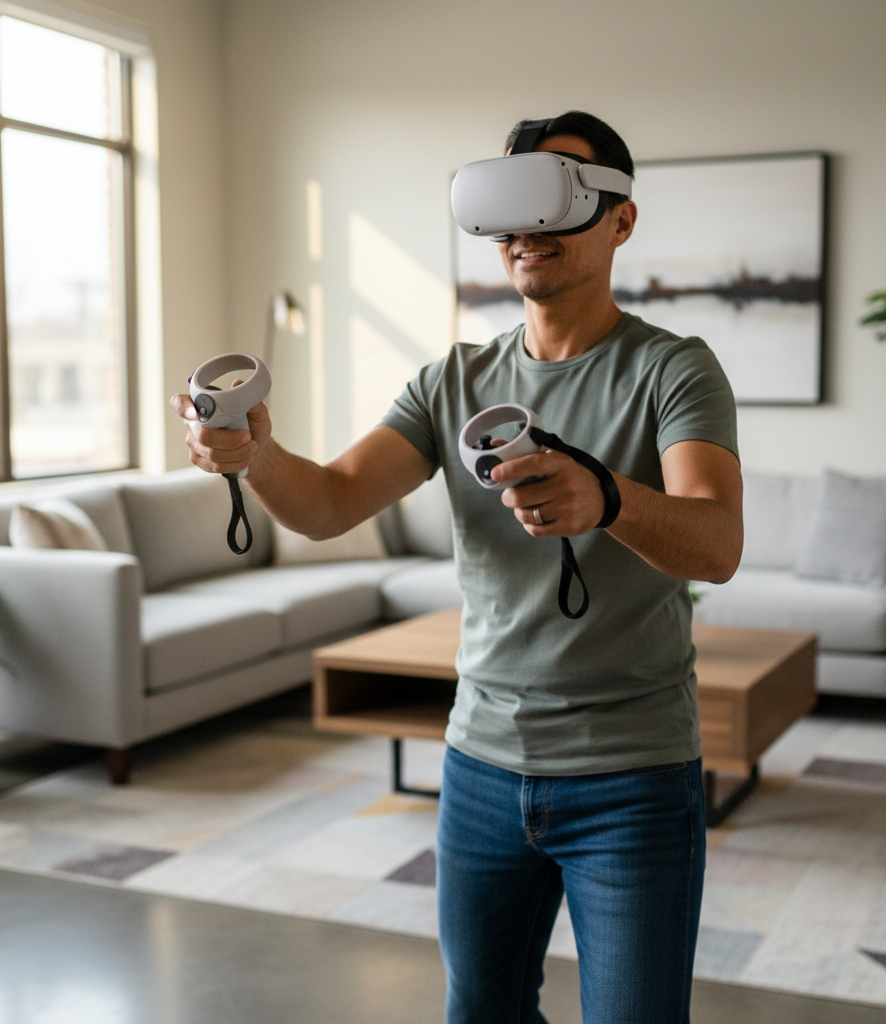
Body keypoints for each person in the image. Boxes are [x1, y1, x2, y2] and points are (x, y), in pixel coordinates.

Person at [172, 110, 742, 1024]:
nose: (527, 230)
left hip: (632, 777)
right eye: (510, 206)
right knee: (481, 1013)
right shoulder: (453, 380)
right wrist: (255, 458)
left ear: (621, 221)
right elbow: (327, 506)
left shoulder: (673, 371)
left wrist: (607, 497)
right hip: (479, 767)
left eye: (555, 202)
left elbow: (717, 545)